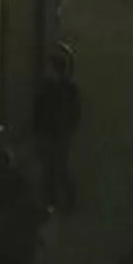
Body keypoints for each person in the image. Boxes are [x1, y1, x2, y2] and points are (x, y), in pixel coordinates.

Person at [32, 41, 83, 212]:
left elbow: (74, 113)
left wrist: (66, 130)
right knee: (50, 170)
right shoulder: (50, 87)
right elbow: (39, 110)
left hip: (58, 136)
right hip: (50, 134)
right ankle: (51, 202)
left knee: (59, 169)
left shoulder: (67, 89)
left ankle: (68, 202)